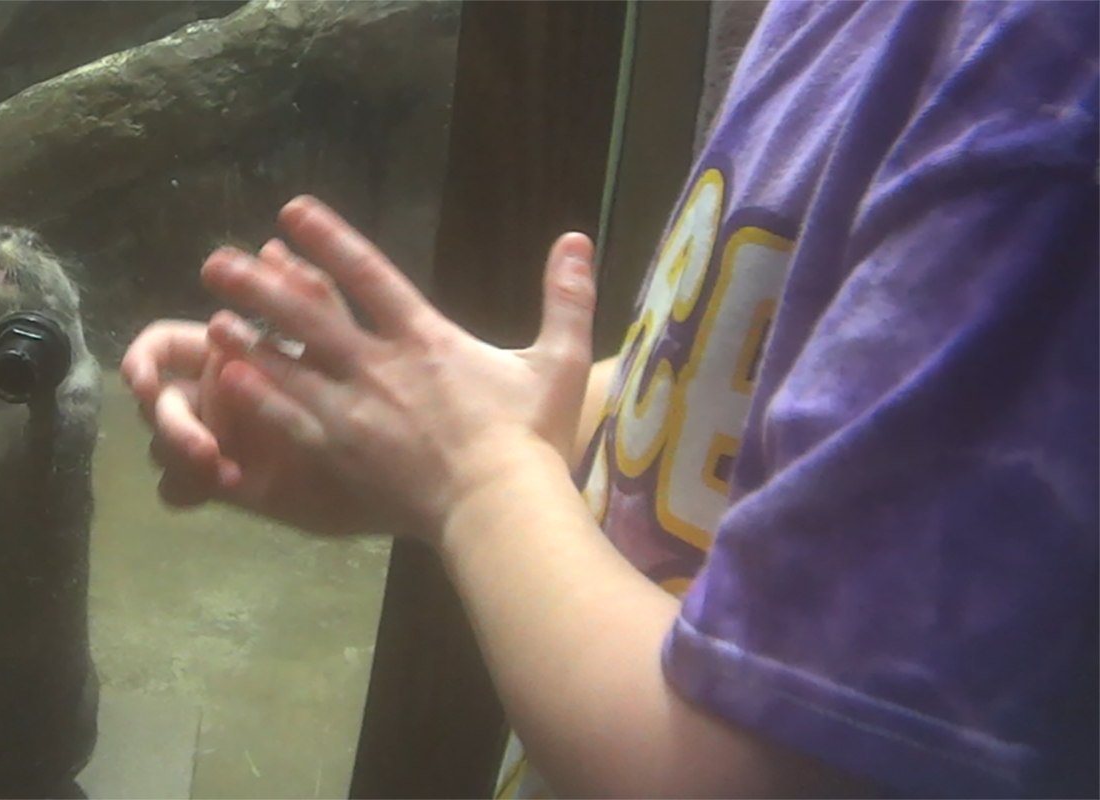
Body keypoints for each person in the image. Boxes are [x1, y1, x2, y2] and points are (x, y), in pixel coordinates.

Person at [118, 0, 1100, 797]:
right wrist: (408, 423)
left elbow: (756, 770)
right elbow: (715, 394)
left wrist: (475, 478)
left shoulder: (1039, 83)